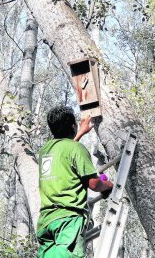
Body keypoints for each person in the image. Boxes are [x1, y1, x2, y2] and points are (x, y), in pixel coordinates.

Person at [37, 106, 114, 258]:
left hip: (46, 223)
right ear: (73, 126)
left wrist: (80, 133)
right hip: (68, 220)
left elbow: (64, 151)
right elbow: (94, 184)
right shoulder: (76, 148)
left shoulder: (45, 151)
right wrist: (108, 185)